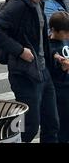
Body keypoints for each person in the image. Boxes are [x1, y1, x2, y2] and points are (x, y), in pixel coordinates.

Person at [0, 0, 61, 143]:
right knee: (28, 127)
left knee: (52, 124)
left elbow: (40, 40)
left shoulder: (40, 3)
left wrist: (53, 56)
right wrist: (20, 51)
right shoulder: (18, 4)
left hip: (43, 72)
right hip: (25, 74)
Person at [47, 11, 69, 143]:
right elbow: (50, 71)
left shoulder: (65, 41)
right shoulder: (49, 47)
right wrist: (62, 67)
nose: (67, 35)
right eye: (65, 33)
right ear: (54, 30)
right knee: (63, 124)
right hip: (60, 91)